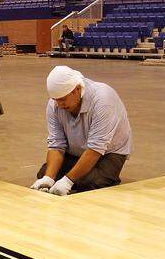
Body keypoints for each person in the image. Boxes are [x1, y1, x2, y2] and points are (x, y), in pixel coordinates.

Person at [31, 66, 131, 196]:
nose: (59, 105)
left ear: (77, 89)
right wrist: (48, 178)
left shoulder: (103, 100)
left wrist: (68, 181)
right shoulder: (54, 104)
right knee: (43, 174)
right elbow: (56, 144)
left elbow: (96, 149)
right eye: (55, 100)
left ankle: (105, 176)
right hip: (77, 151)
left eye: (62, 99)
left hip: (108, 153)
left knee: (91, 182)